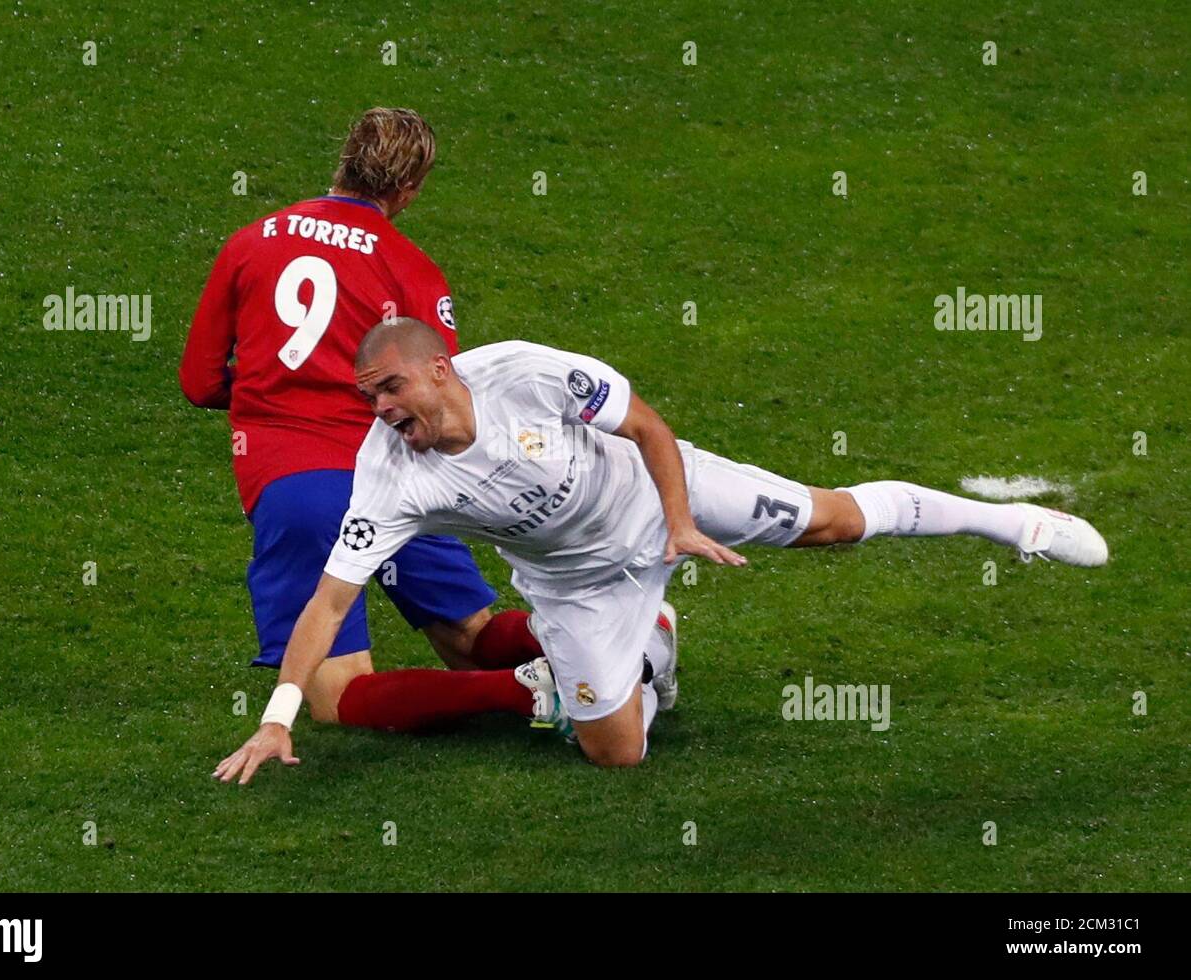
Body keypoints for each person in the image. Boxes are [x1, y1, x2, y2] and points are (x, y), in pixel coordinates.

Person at [214, 319, 1108, 782]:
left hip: (657, 495)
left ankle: (1014, 526)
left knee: (828, 522)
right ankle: (652, 641)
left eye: (391, 389)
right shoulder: (388, 475)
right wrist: (279, 716)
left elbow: (645, 426)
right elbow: (328, 605)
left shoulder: (524, 372)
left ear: (441, 367)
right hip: (573, 588)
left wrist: (680, 523)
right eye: (369, 398)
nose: (382, 411)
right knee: (617, 757)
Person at [180, 109, 542, 730]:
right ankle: (624, 640)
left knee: (339, 695)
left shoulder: (250, 241)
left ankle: (533, 697)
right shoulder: (409, 265)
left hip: (298, 486)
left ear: (343, 158)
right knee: (468, 635)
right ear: (410, 187)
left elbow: (200, 381)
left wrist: (273, 394)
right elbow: (440, 397)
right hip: (404, 479)